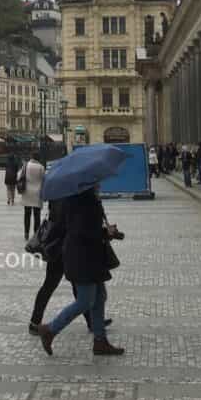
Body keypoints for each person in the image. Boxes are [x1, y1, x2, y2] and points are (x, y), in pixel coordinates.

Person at [35, 187, 125, 357]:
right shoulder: (82, 200)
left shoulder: (85, 198)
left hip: (90, 256)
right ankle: (49, 330)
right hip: (81, 257)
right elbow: (82, 232)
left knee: (99, 297)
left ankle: (100, 341)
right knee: (85, 301)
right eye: (96, 181)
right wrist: (106, 233)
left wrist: (105, 231)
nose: (99, 183)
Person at [29, 199, 111, 335]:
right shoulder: (68, 198)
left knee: (74, 287)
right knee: (52, 285)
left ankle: (92, 322)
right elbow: (65, 222)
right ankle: (36, 323)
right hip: (62, 249)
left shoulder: (62, 194)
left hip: (65, 247)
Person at [21, 152, 46, 241]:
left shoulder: (26, 165)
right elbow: (44, 179)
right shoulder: (41, 167)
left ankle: (26, 233)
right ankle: (36, 234)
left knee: (27, 214)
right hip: (37, 193)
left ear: (32, 157)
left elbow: (19, 176)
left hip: (27, 192)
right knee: (37, 215)